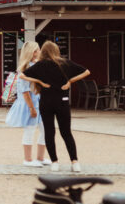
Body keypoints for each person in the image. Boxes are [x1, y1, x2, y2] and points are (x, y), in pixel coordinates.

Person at [21, 41, 91, 173]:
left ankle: (55, 162)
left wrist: (40, 82)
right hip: (62, 101)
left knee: (49, 132)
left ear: (44, 52)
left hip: (46, 102)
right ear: (56, 50)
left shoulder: (40, 65)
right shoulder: (65, 63)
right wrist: (70, 81)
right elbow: (86, 72)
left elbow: (22, 75)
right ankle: (74, 161)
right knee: (66, 132)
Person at [5, 41, 47, 167]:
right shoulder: (25, 68)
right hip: (30, 103)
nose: (40, 51)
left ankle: (40, 157)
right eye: (38, 49)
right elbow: (25, 90)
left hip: (39, 102)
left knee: (45, 129)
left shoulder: (37, 65)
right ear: (33, 52)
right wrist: (31, 107)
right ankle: (27, 159)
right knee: (30, 129)